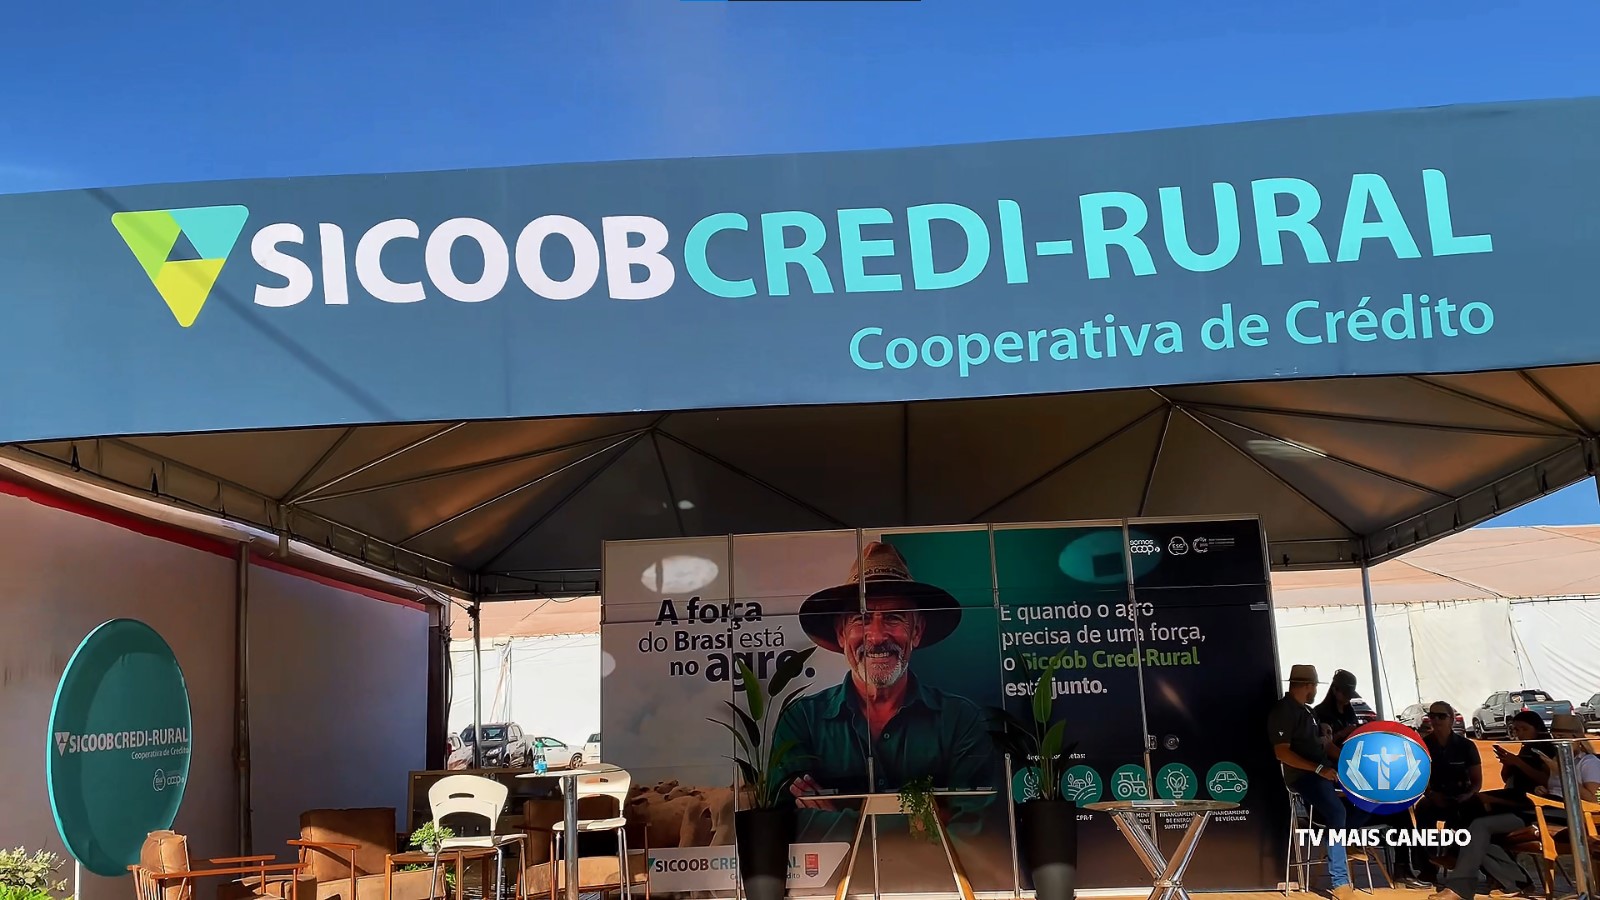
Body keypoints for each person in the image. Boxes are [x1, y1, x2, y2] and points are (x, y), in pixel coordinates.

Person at [776, 541, 1001, 838]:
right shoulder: (802, 721)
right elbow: (788, 826)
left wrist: (839, 819)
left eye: (894, 617)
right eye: (862, 618)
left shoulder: (961, 720)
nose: (877, 636)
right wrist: (929, 820)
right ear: (841, 634)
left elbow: (977, 827)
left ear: (916, 631)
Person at [1433, 711, 1552, 900]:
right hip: (1518, 796)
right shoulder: (1526, 748)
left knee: (1476, 821)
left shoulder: (1548, 750)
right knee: (1468, 812)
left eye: (1524, 729)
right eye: (1516, 730)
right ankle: (1515, 880)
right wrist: (1509, 764)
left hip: (1531, 804)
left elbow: (1547, 780)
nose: (1520, 733)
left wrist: (1517, 762)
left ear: (1537, 729)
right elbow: (1508, 779)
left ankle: (1459, 870)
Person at [1270, 664, 1364, 900]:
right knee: (1336, 811)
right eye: (1314, 687)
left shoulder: (1309, 712)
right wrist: (1319, 769)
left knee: (1369, 797)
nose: (1315, 692)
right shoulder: (1284, 711)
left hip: (1324, 771)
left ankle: (1340, 838)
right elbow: (1282, 752)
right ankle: (1340, 882)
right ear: (1308, 686)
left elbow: (1327, 746)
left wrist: (1354, 765)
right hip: (1304, 777)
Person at [1393, 702, 1481, 889]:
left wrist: (1467, 796)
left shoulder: (1466, 746)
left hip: (1461, 796)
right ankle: (1428, 867)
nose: (1436, 720)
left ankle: (1455, 859)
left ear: (1452, 719)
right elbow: (1417, 777)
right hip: (1435, 795)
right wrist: (1431, 794)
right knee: (1422, 810)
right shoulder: (1424, 746)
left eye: (1441, 716)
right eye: (1432, 716)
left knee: (1469, 812)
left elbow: (1476, 782)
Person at [1314, 669, 1364, 750]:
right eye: (1345, 694)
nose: (1349, 697)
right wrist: (1342, 733)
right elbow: (1320, 745)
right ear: (1334, 690)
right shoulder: (1320, 712)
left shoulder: (1350, 711)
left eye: (1350, 694)